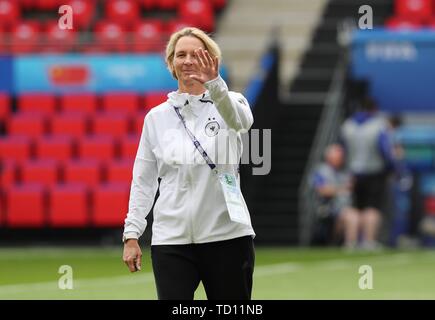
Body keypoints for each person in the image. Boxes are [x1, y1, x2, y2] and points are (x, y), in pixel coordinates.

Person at [122, 27, 255, 300]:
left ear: (211, 60)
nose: (188, 61)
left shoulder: (231, 101)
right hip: (171, 240)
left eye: (196, 54)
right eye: (180, 55)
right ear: (171, 63)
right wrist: (132, 234)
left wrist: (216, 84)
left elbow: (241, 122)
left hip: (227, 236)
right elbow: (144, 180)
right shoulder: (156, 118)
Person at [340, 96, 396, 250]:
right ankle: (368, 241)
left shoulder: (348, 125)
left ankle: (350, 241)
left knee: (355, 208)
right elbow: (384, 150)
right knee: (372, 208)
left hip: (353, 173)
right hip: (374, 172)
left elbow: (343, 151)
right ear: (375, 109)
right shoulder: (378, 126)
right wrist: (393, 168)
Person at [312, 144, 360, 249]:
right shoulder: (322, 171)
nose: (340, 158)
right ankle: (350, 245)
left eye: (341, 156)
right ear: (329, 157)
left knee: (357, 214)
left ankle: (358, 244)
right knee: (352, 216)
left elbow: (351, 188)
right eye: (337, 156)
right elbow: (321, 190)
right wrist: (340, 189)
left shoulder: (345, 171)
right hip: (328, 208)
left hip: (344, 207)